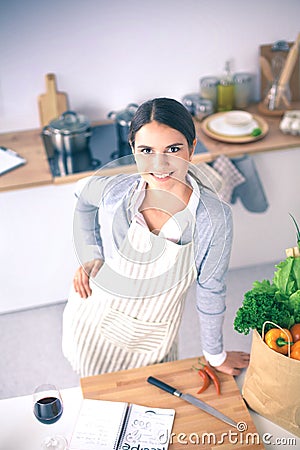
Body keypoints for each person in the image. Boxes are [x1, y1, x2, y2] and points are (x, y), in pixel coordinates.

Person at [62, 97, 249, 377]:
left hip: (155, 339)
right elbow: (82, 197)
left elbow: (211, 289)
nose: (160, 164)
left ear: (192, 148)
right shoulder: (118, 192)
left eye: (173, 149)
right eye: (147, 150)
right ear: (134, 151)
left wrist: (214, 354)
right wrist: (91, 254)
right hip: (95, 321)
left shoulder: (213, 217)